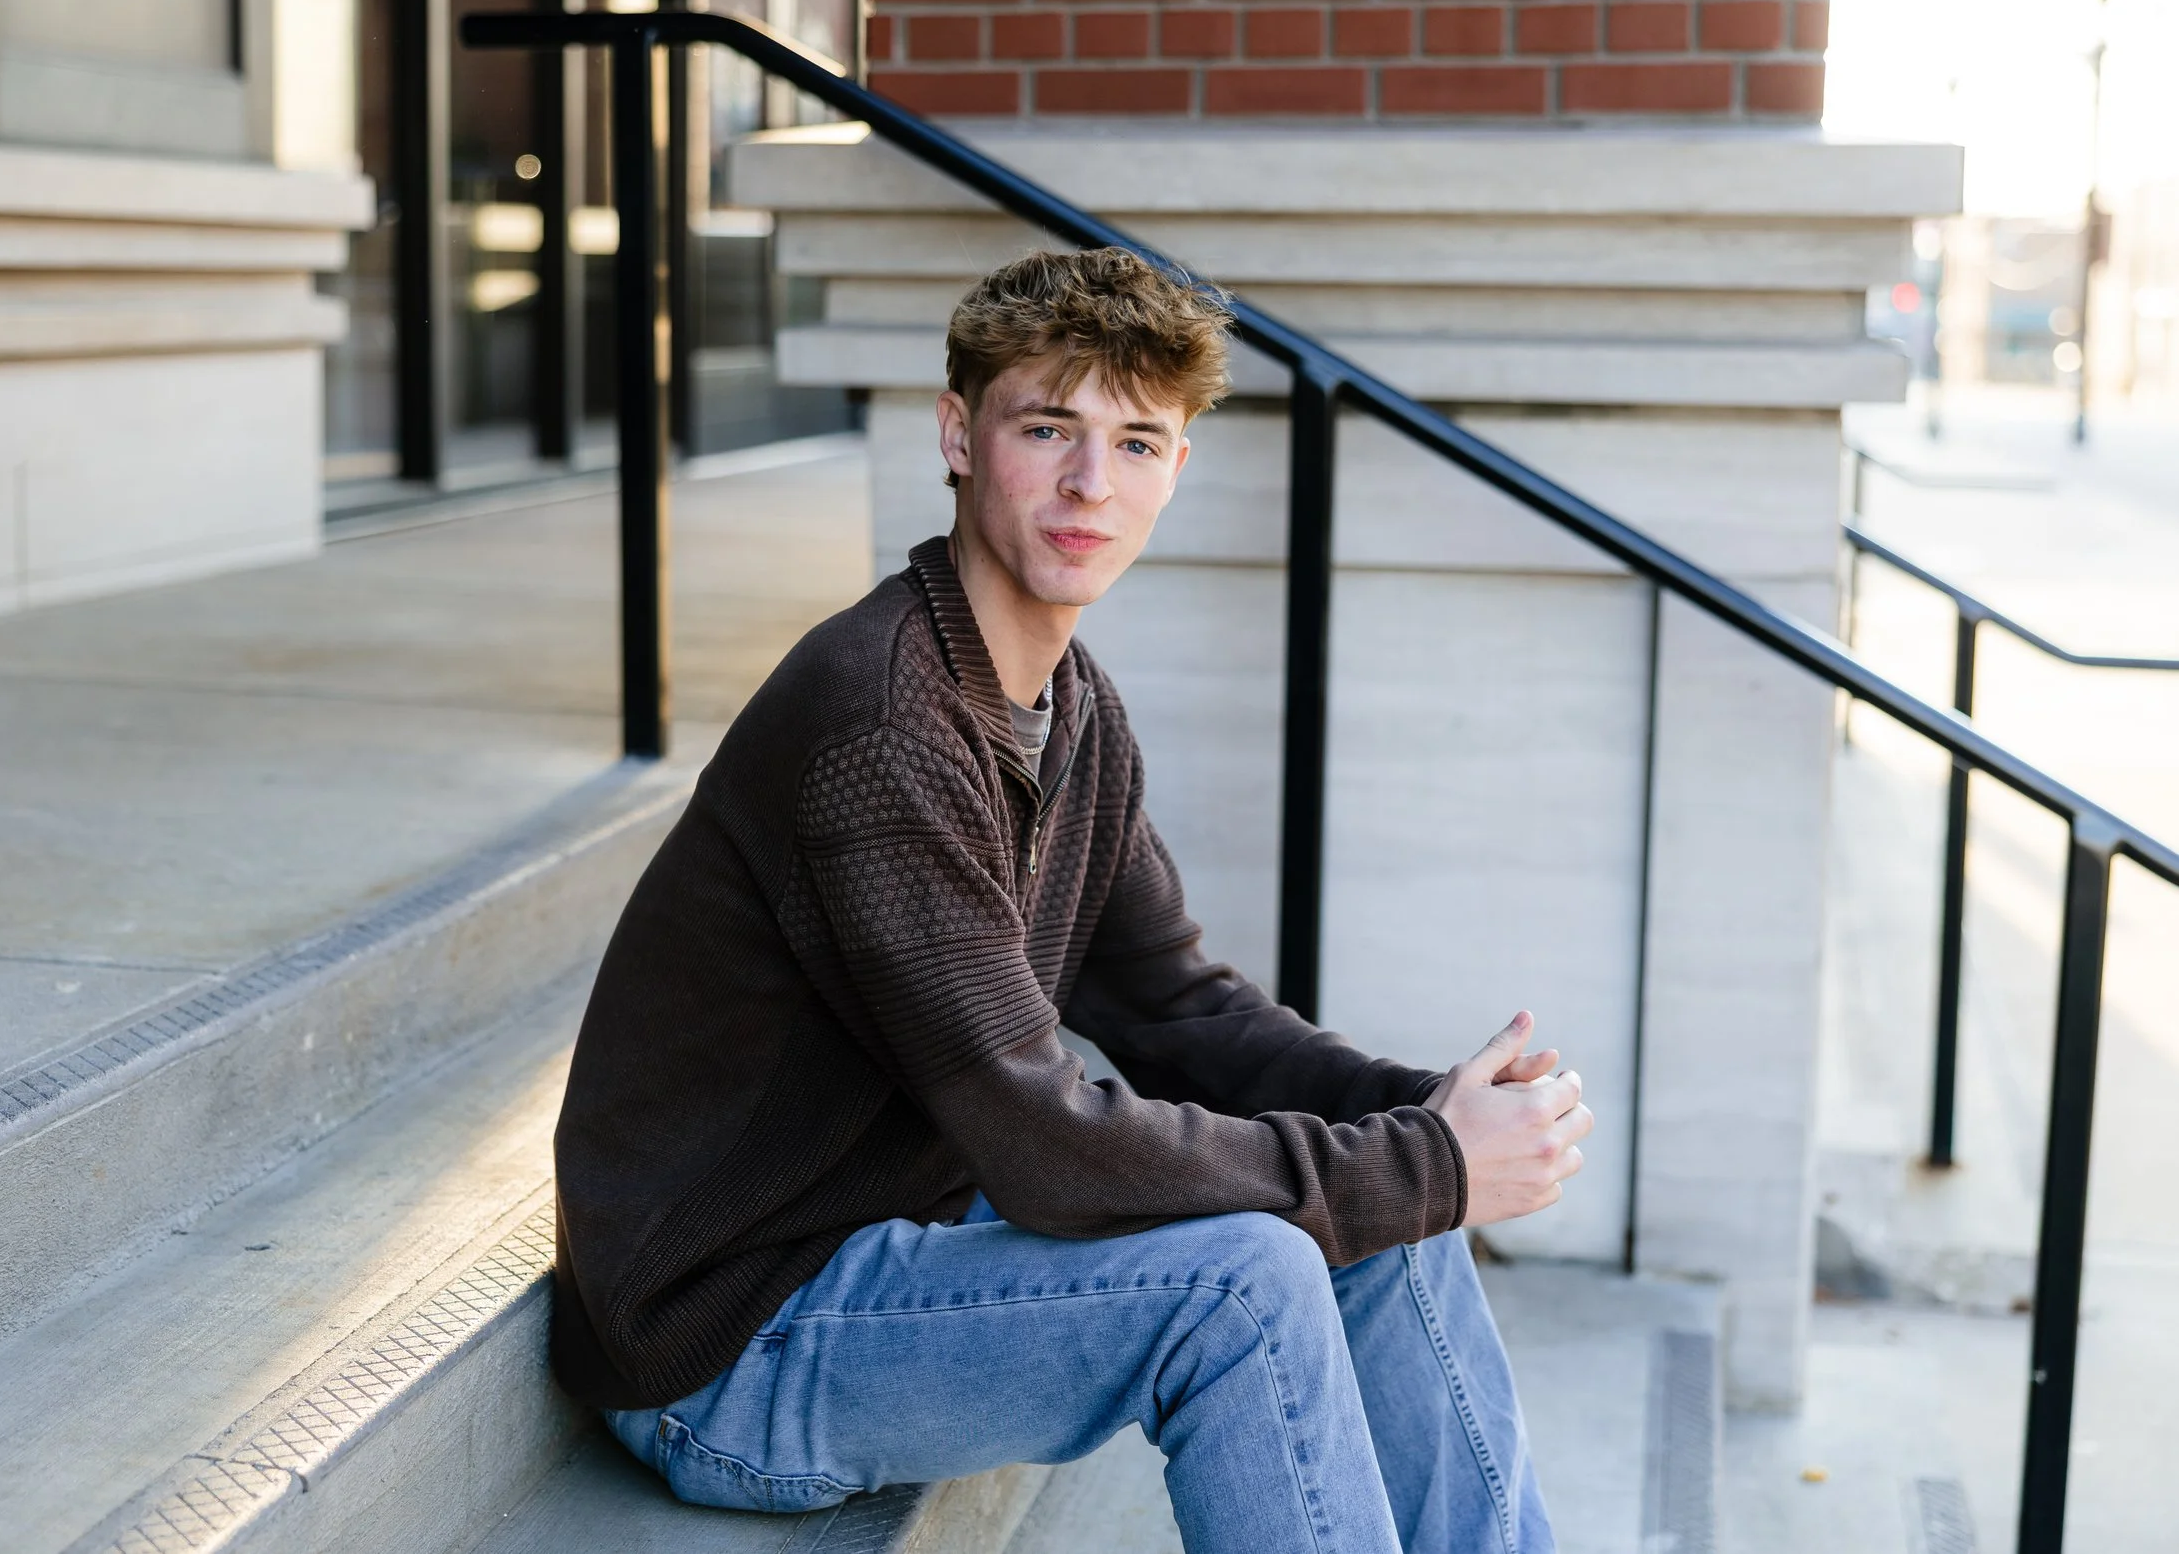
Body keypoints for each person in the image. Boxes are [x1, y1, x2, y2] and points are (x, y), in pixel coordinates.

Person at [550, 247, 1590, 1554]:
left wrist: (1430, 1113)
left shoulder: (1070, 707)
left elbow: (1180, 1007)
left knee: (1389, 1197)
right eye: (1050, 428)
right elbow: (1033, 1128)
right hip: (736, 1335)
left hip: (898, 1238)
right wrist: (1427, 1158)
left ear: (1175, 471)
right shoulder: (879, 721)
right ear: (959, 435)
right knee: (1255, 1270)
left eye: (1138, 442)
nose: (1093, 482)